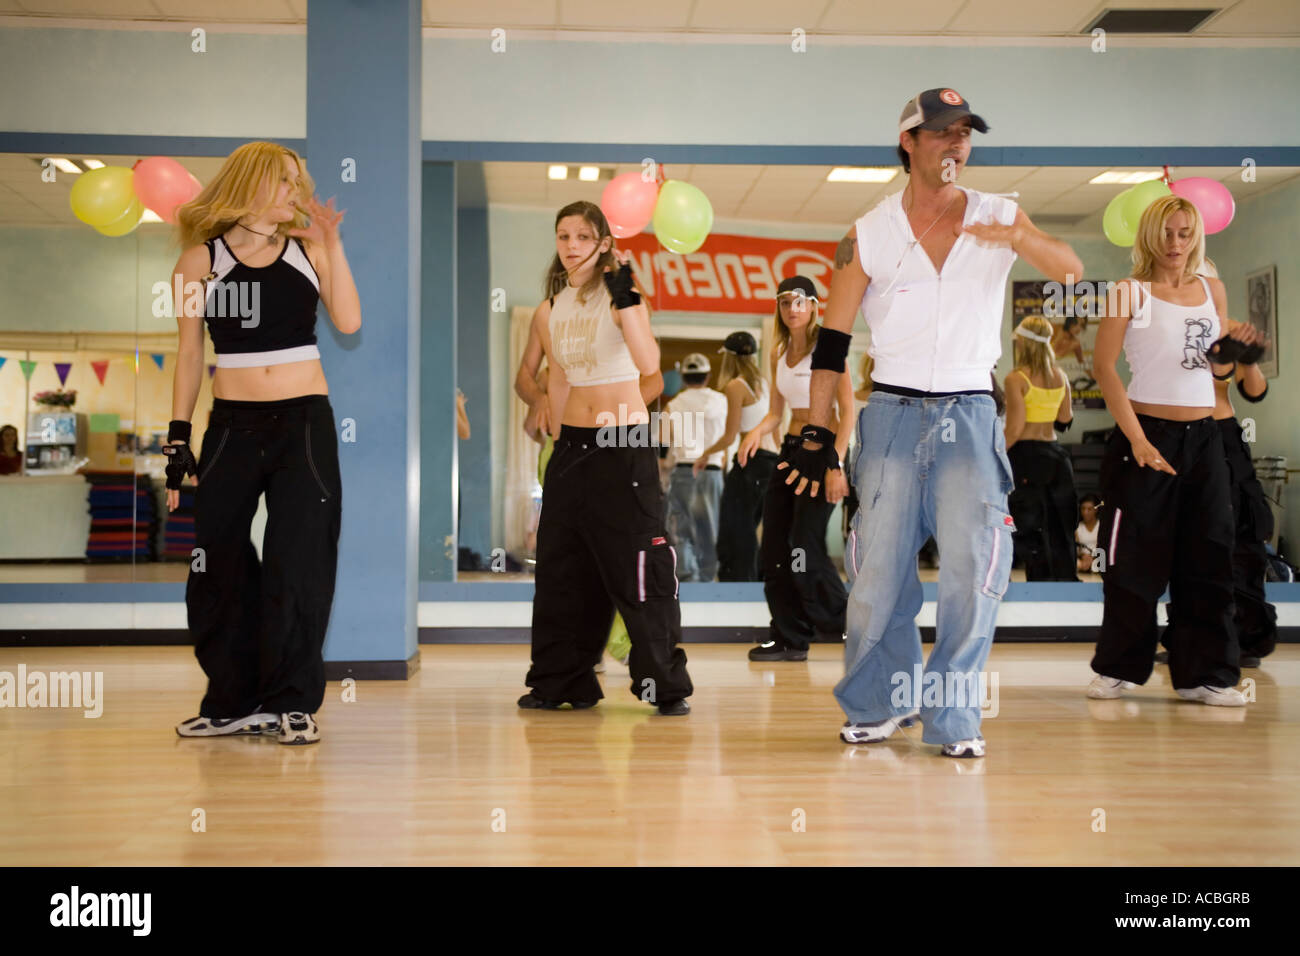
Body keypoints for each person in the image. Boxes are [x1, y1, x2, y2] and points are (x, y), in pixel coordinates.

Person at [791, 88, 1082, 756]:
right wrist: (814, 433)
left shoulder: (1000, 214)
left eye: (965, 133)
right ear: (909, 143)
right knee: (877, 578)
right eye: (942, 132)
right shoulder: (866, 233)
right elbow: (833, 342)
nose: (956, 143)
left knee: (972, 574)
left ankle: (953, 719)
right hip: (890, 414)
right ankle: (878, 703)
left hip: (971, 411)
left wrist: (1020, 237)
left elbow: (1070, 272)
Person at [165, 141, 361, 745]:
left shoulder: (308, 251)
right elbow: (190, 354)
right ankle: (231, 700)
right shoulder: (198, 262)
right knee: (215, 560)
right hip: (231, 425)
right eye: (286, 183)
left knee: (299, 560)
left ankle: (290, 702)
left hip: (304, 425)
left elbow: (349, 322)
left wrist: (333, 244)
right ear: (252, 185)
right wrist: (177, 442)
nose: (297, 196)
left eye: (299, 183)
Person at [513, 200, 692, 715]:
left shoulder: (623, 297)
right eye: (563, 235)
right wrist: (554, 432)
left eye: (583, 237)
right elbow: (562, 378)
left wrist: (627, 298)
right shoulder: (551, 309)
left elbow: (650, 363)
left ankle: (663, 684)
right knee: (562, 569)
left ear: (603, 244)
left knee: (637, 566)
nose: (571, 246)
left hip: (624, 444)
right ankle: (559, 681)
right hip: (573, 446)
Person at [1088, 195, 1265, 705]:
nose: (1176, 243)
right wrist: (1138, 441)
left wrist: (1233, 359)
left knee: (1209, 553)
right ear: (1149, 236)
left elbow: (1219, 371)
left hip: (1205, 438)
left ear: (1196, 237)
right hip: (1143, 434)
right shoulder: (1128, 292)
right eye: (1167, 232)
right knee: (1133, 559)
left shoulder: (1212, 289)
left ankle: (1206, 674)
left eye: (1185, 233)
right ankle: (1119, 668)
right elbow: (1105, 369)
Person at [738, 276, 855, 661]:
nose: (793, 309)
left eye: (801, 301)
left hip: (824, 454)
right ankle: (788, 636)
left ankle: (848, 625)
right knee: (772, 547)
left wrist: (836, 464)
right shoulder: (777, 352)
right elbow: (775, 412)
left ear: (814, 306)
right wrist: (755, 432)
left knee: (804, 545)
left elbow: (847, 412)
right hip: (789, 453)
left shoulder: (828, 349)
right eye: (786, 302)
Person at [1157, 300, 1277, 670]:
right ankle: (1188, 637)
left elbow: (1254, 391)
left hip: (1222, 434)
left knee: (1242, 535)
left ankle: (1246, 637)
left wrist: (1250, 357)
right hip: (1179, 435)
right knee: (1188, 539)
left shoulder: (1232, 325)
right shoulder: (1161, 324)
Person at [1003, 315, 1079, 581]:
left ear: (1022, 343)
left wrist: (994, 456)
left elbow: (1014, 429)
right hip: (1057, 458)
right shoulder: (1061, 377)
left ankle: (1030, 584)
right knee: (1060, 525)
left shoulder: (1016, 379)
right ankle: (1063, 585)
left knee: (1027, 525)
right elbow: (1065, 419)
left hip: (1026, 456)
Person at [711, 332, 777, 581]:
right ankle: (757, 580)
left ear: (729, 357)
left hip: (749, 461)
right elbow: (776, 428)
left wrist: (705, 455)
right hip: (771, 461)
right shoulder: (765, 385)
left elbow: (730, 437)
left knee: (737, 527)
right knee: (752, 526)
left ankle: (738, 581)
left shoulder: (735, 386)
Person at [662, 353, 728, 582]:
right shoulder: (721, 401)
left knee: (682, 529)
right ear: (708, 376)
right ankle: (708, 580)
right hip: (711, 471)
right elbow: (728, 439)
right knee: (710, 529)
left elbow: (663, 440)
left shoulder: (673, 405)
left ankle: (687, 580)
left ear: (683, 377)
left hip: (683, 471)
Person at [1075, 493, 1101, 575]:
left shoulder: (1101, 526)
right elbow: (1076, 548)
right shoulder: (1077, 527)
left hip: (1098, 559)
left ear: (1096, 510)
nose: (1085, 512)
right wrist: (1083, 556)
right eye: (1083, 508)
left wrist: (1092, 557)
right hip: (1082, 560)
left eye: (1089, 509)